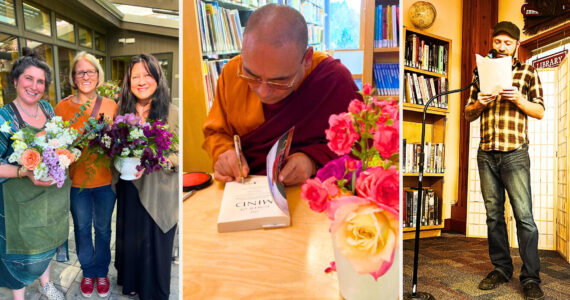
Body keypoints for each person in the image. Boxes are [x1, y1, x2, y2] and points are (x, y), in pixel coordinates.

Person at [202, 4, 360, 186]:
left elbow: (360, 148)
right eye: (251, 76)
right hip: (246, 189)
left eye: (279, 82)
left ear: (307, 59)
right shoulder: (232, 72)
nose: (263, 91)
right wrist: (224, 153)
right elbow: (216, 132)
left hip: (312, 194)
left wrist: (313, 162)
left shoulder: (334, 79)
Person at [464, 21, 545, 300]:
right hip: (486, 152)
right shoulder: (480, 71)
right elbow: (467, 113)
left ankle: (531, 277)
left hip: (515, 153)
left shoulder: (528, 72)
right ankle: (501, 268)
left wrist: (519, 100)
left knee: (524, 218)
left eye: (507, 43)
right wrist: (479, 103)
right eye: (498, 41)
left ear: (516, 46)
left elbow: (539, 111)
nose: (501, 47)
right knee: (493, 216)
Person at [0, 48, 65, 300]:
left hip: (47, 197)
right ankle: (19, 296)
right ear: (15, 80)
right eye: (28, 78)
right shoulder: (4, 118)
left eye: (40, 81)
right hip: (17, 202)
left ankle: (45, 283)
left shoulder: (48, 109)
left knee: (46, 239)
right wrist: (23, 171)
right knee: (19, 251)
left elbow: (57, 144)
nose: (34, 86)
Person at [114, 54, 178, 299]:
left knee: (153, 242)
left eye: (147, 75)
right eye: (135, 76)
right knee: (132, 237)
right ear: (128, 82)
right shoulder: (122, 112)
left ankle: (152, 291)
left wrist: (156, 160)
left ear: (157, 78)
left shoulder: (172, 113)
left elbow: (178, 156)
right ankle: (131, 282)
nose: (141, 81)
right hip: (130, 186)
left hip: (158, 189)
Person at [54, 51, 117, 298]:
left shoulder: (111, 105)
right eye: (80, 72)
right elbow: (56, 143)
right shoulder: (62, 107)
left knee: (102, 229)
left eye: (90, 71)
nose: (85, 76)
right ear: (73, 77)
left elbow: (119, 142)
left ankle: (101, 271)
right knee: (81, 228)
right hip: (77, 182)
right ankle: (88, 272)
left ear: (98, 75)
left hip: (104, 181)